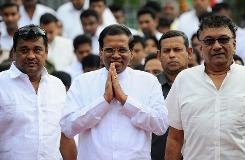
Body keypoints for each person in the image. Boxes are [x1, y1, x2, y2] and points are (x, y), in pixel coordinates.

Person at [60, 24, 168, 160]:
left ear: (131, 52)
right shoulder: (82, 82)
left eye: (122, 50)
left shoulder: (148, 81)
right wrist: (103, 101)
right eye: (109, 50)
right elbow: (68, 128)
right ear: (100, 52)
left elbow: (161, 126)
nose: (116, 55)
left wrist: (126, 101)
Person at [165, 15, 245, 160]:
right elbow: (175, 138)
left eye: (223, 39)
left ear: (234, 44)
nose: (216, 46)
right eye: (209, 41)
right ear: (201, 48)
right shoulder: (184, 80)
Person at [0, 24, 76, 160]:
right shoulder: (1, 83)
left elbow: (65, 135)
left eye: (37, 50)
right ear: (13, 53)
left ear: (46, 52)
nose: (31, 56)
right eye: (24, 50)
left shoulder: (57, 86)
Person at [151, 30, 191, 160]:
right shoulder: (150, 87)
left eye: (177, 49)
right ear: (159, 55)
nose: (172, 55)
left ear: (189, 52)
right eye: (167, 51)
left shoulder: (204, 84)